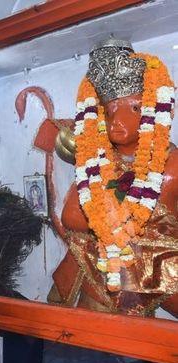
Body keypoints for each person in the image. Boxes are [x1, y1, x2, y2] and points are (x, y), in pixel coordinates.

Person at [48, 39, 178, 317]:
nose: (116, 119)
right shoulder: (96, 160)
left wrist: (111, 221)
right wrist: (107, 221)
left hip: (136, 291)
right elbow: (71, 216)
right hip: (81, 288)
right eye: (109, 110)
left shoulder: (171, 165)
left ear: (153, 111)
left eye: (132, 108)